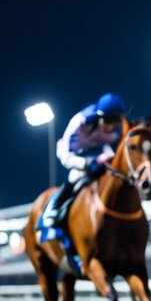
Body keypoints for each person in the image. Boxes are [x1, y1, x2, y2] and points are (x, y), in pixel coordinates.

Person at [41, 92, 128, 228]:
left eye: (115, 122)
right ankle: (55, 206)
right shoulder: (80, 121)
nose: (111, 126)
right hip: (72, 153)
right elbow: (66, 156)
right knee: (76, 176)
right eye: (108, 120)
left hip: (99, 151)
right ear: (99, 116)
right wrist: (89, 163)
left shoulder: (117, 130)